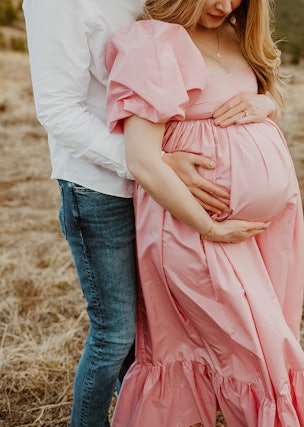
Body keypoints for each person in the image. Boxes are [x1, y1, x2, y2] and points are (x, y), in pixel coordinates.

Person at [22, 1, 277, 426]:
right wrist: (151, 160)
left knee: (153, 332)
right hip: (101, 188)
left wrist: (264, 102)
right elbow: (57, 109)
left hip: (161, 191)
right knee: (115, 334)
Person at [105, 0, 304, 426]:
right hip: (194, 228)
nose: (224, 4)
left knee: (264, 348)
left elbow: (259, 97)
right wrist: (210, 227)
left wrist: (266, 105)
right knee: (262, 354)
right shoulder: (156, 42)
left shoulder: (238, 35)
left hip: (265, 232)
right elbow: (142, 160)